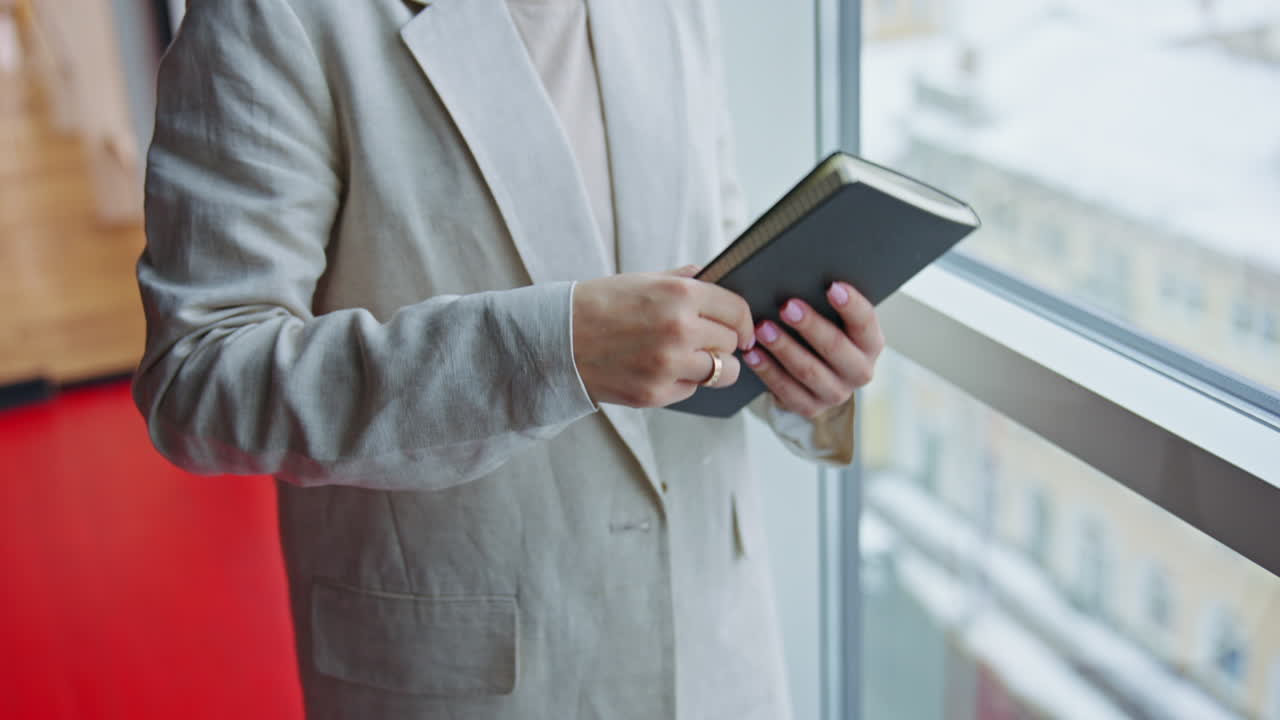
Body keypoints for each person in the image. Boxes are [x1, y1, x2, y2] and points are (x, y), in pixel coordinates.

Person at [133, 1, 884, 718]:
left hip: (716, 642)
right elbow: (200, 376)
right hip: (467, 676)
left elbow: (714, 262)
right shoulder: (273, 13)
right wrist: (549, 353)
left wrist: (798, 366)